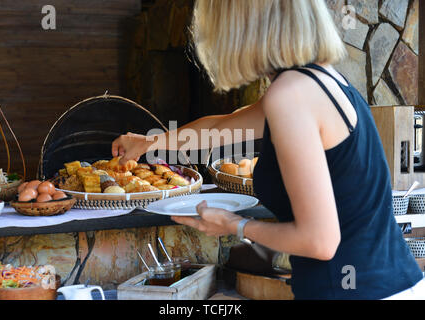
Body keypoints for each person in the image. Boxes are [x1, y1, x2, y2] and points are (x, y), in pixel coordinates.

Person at [111, 0, 424, 299]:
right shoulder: (320, 78)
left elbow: (320, 241)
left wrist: (234, 225)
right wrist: (149, 142)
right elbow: (221, 128)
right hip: (392, 284)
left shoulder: (290, 94)